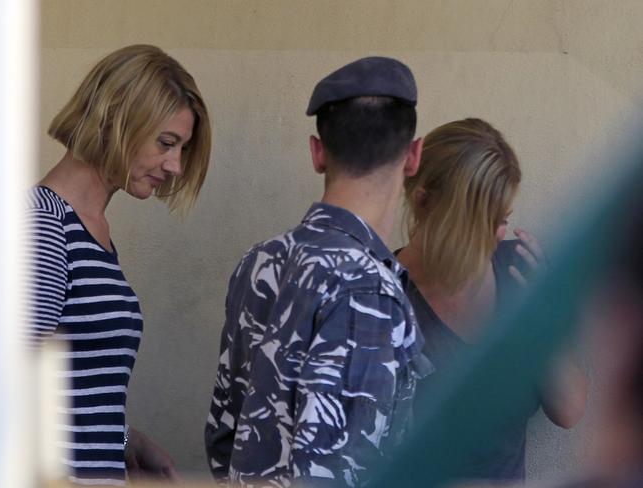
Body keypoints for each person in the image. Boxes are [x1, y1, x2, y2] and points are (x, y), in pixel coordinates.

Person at [205, 57, 432, 487]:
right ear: (413, 156)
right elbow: (335, 472)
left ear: (317, 152)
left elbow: (224, 434)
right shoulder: (368, 290)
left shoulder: (261, 261)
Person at [24, 44, 211, 485]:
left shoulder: (95, 232)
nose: (175, 166)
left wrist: (122, 441)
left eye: (182, 148)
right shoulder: (44, 224)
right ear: (117, 121)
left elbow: (69, 388)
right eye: (166, 144)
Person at [396, 118, 587, 482]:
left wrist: (539, 325)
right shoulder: (380, 295)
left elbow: (570, 411)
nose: (494, 236)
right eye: (475, 221)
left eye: (501, 220)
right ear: (423, 203)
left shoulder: (519, 270)